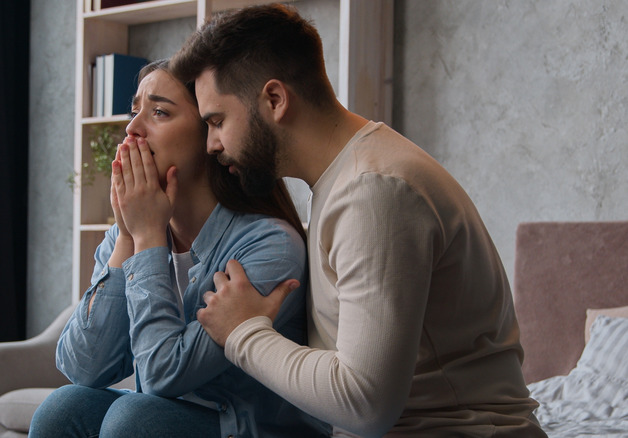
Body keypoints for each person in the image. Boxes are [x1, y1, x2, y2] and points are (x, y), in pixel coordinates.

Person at [170, 4, 548, 437]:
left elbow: (364, 403)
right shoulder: (346, 180)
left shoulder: (374, 192)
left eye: (217, 121)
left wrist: (242, 334)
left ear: (274, 100)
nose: (212, 145)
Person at [28, 59, 329, 438]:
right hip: (162, 416)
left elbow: (160, 377)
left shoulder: (269, 244)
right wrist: (127, 237)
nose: (132, 128)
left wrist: (149, 239)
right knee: (63, 408)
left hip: (251, 428)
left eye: (158, 112)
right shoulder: (135, 229)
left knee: (135, 420)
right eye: (134, 110)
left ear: (210, 134)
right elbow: (82, 367)